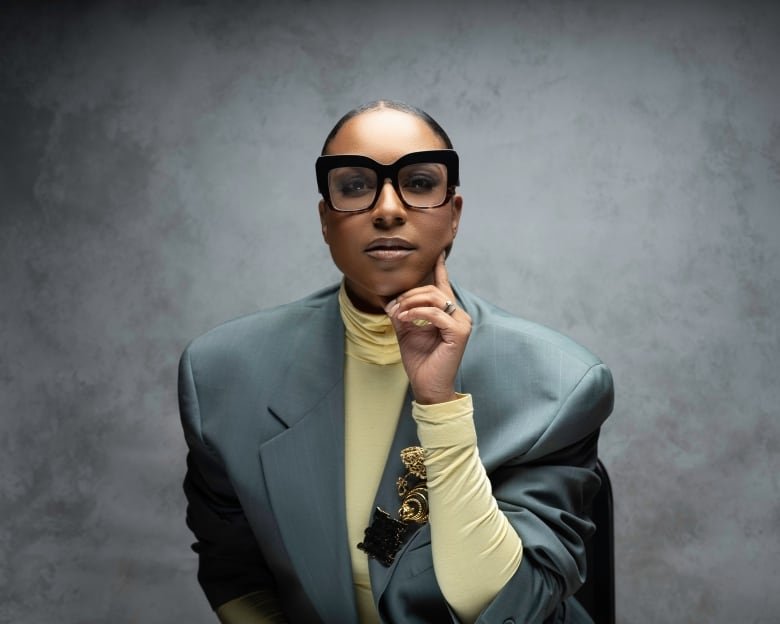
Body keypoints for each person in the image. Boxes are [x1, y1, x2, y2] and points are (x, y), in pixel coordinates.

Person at [178, 100, 614, 624]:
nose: (387, 208)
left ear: (453, 215)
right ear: (325, 219)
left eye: (420, 181)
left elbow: (509, 607)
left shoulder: (559, 383)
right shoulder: (222, 375)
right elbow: (234, 570)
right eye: (356, 185)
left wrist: (439, 407)